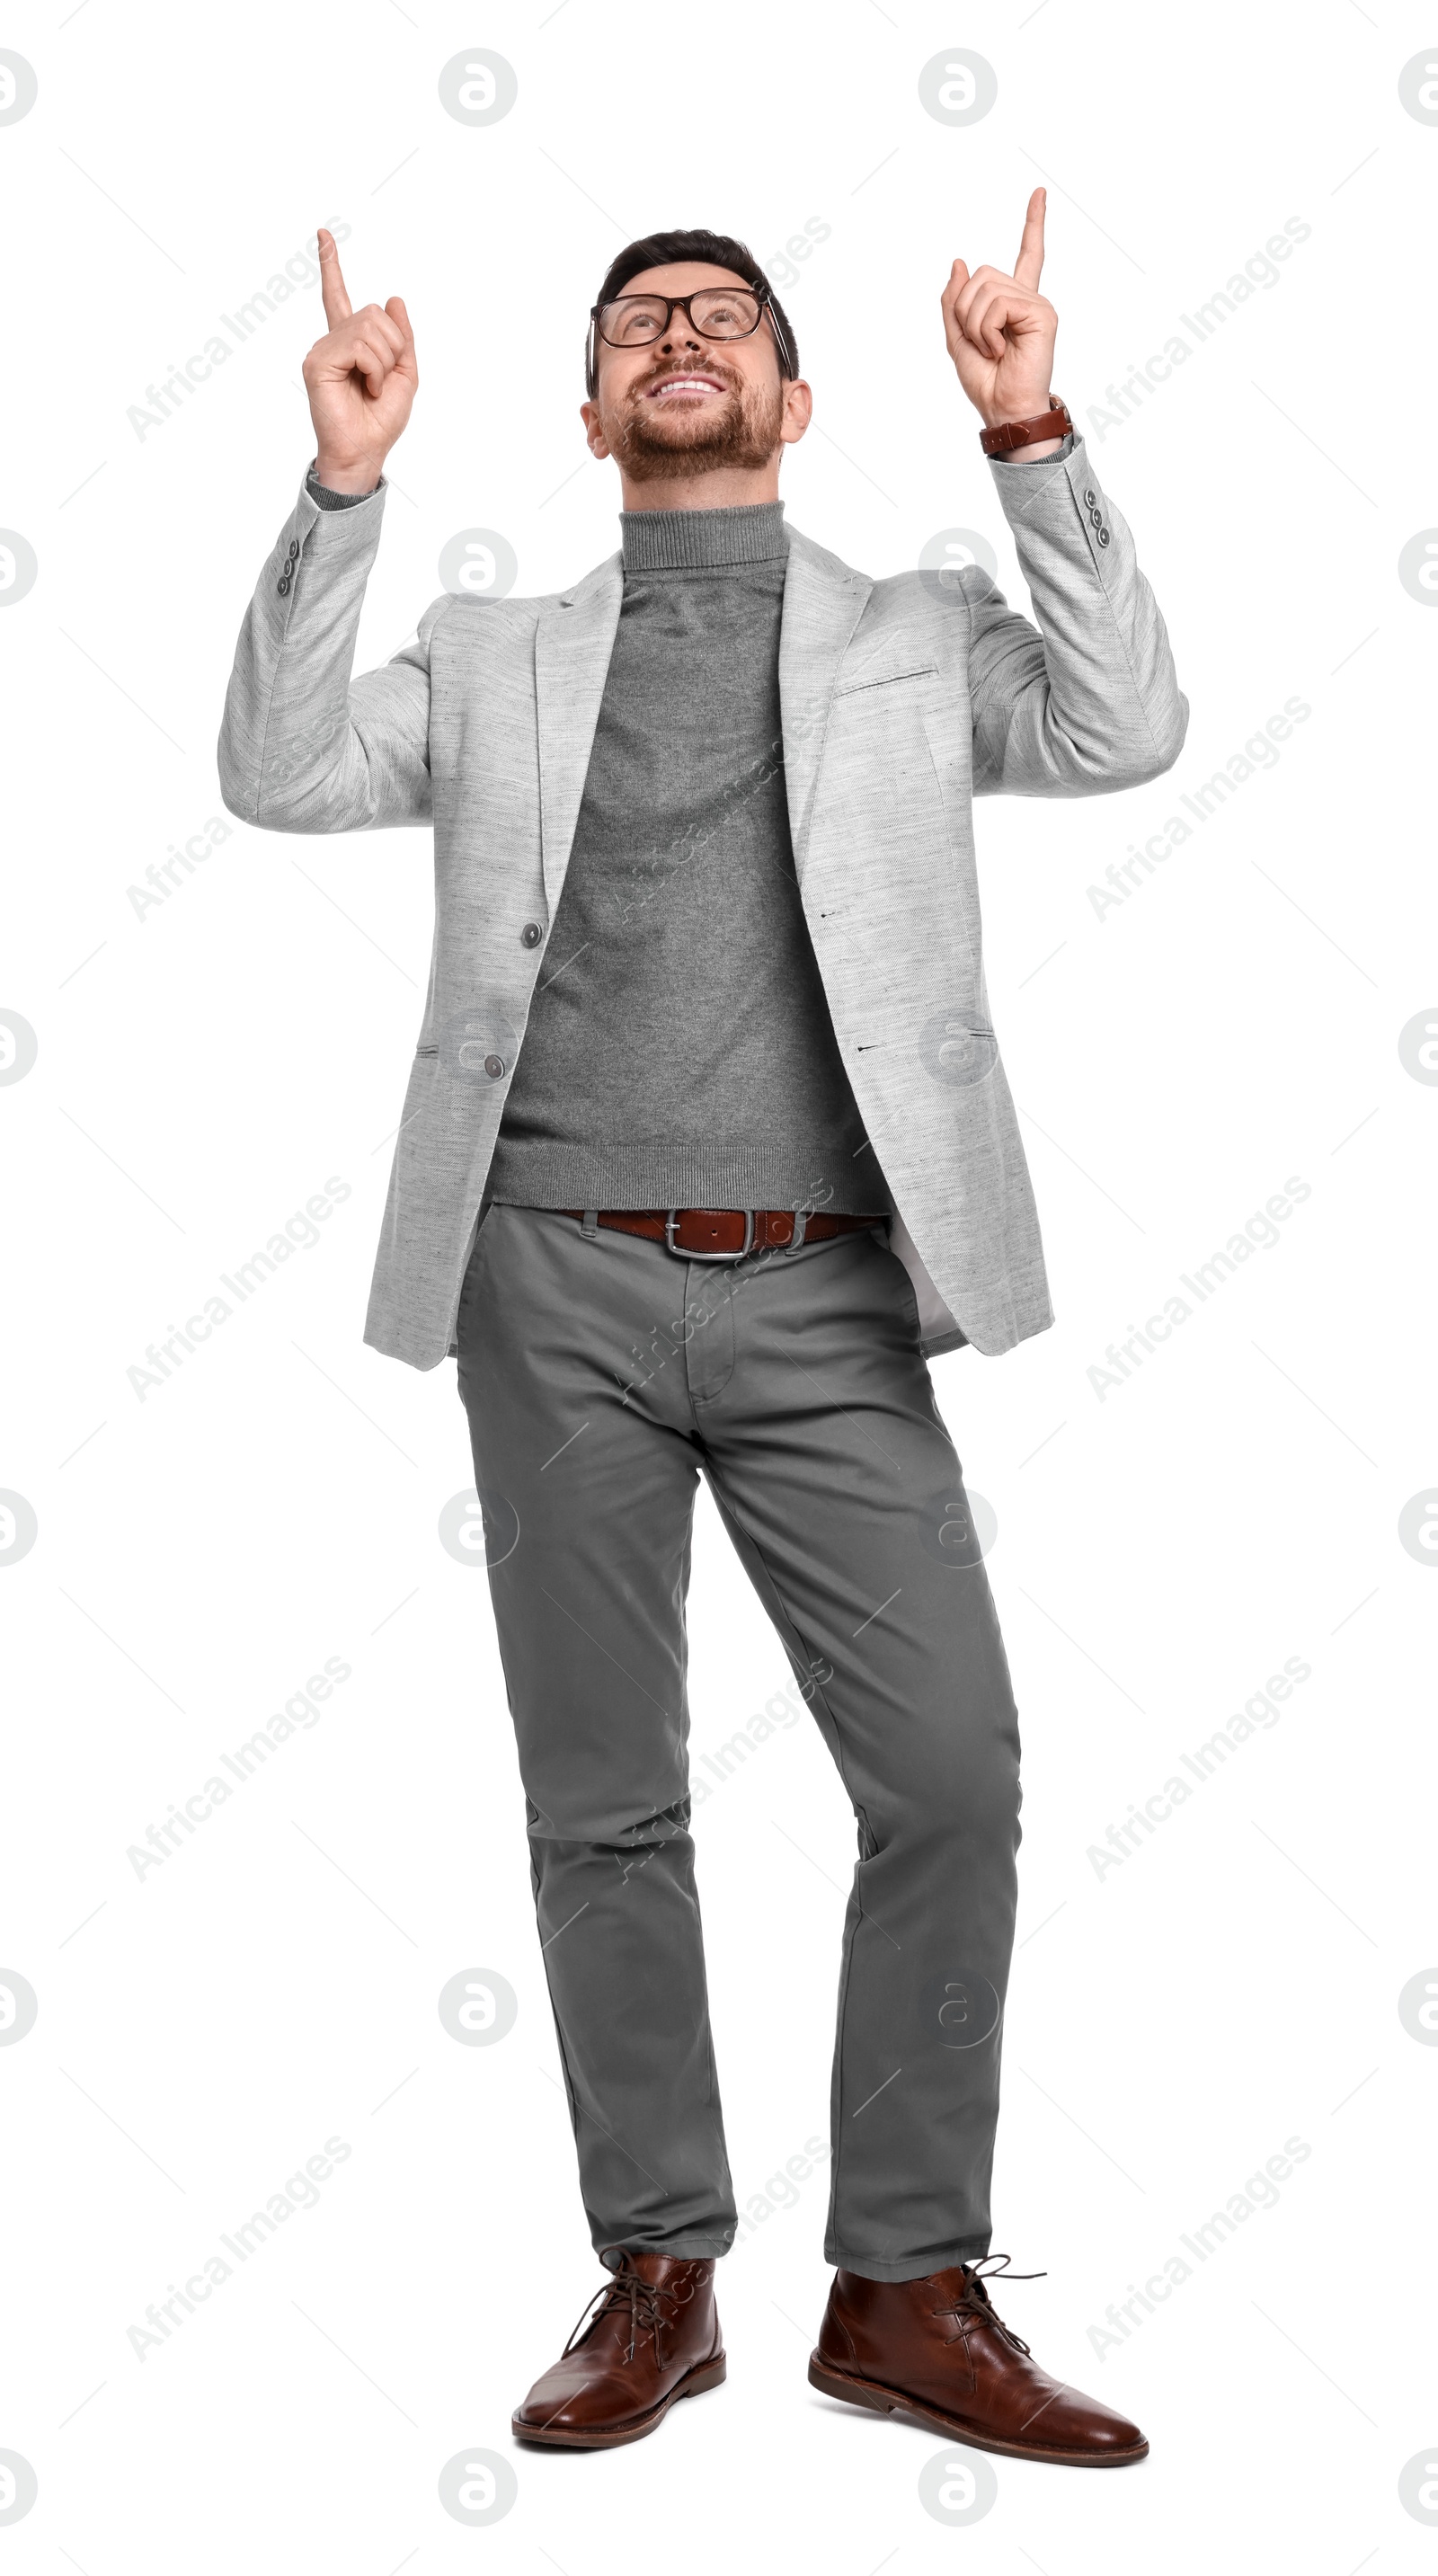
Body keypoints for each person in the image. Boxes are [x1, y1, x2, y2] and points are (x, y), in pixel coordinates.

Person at [218, 191, 1185, 2464]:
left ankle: (904, 2281)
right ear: (583, 411)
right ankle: (658, 2268)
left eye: (723, 313)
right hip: (542, 1278)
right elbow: (272, 772)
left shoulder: (912, 637)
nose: (682, 330)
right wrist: (341, 486)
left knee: (945, 1771)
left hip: (833, 1285)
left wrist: (1029, 422)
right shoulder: (489, 658)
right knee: (603, 1801)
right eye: (641, 315)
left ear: (789, 395)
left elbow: (1126, 722)